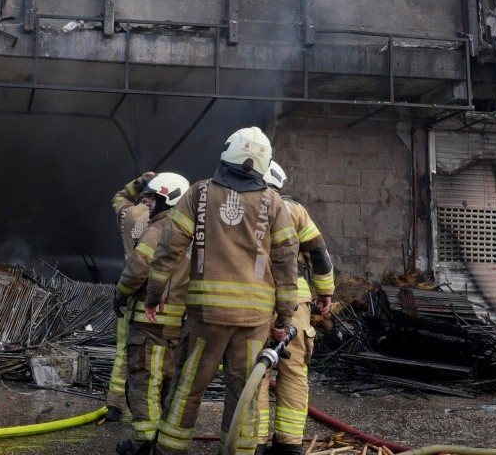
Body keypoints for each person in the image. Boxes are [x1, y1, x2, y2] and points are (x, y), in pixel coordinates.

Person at [143, 127, 299, 455]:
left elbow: (168, 250)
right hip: (254, 320)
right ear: (263, 163)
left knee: (187, 389)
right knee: (244, 395)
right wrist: (284, 317)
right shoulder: (273, 203)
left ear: (227, 152)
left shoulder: (199, 194)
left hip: (205, 318)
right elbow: (287, 264)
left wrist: (153, 295)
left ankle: (168, 450)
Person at [255, 162, 335, 455]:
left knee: (256, 371)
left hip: (255, 300)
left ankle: (256, 442)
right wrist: (325, 291)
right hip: (296, 303)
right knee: (293, 370)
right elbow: (318, 254)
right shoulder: (295, 210)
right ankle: (289, 444)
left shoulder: (243, 207)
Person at [112, 172, 192, 455]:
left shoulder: (159, 229)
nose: (147, 204)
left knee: (143, 380)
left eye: (152, 198)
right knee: (166, 382)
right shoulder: (190, 229)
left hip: (149, 321)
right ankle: (160, 439)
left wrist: (120, 292)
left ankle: (143, 442)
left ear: (165, 200)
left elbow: (138, 268)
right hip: (176, 324)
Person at [106, 170, 157, 420]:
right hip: (156, 298)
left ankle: (115, 404)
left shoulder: (130, 215)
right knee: (152, 355)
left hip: (128, 292)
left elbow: (118, 198)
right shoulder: (168, 222)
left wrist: (138, 182)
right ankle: (147, 408)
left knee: (123, 350)